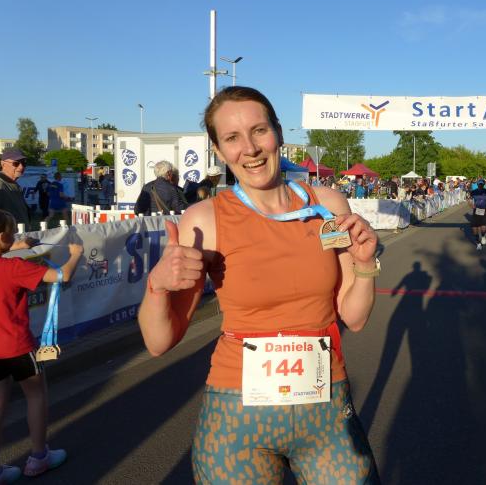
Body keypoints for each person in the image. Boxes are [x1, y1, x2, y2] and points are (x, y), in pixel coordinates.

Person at [138, 86, 381, 484]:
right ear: (219, 150)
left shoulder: (327, 207)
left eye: (259, 131)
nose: (249, 148)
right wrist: (157, 285)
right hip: (237, 417)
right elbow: (158, 341)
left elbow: (353, 317)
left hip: (325, 409)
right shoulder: (204, 220)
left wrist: (365, 263)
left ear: (278, 133)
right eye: (232, 138)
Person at [0, 208, 84, 483]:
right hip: (18, 346)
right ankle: (38, 456)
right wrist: (76, 255)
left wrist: (15, 247)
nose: (15, 237)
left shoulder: (10, 262)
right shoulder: (15, 268)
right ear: (2, 238)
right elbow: (62, 276)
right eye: (12, 234)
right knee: (36, 395)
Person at [0, 148, 31, 228]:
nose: (21, 167)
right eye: (16, 163)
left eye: (23, 163)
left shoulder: (14, 185)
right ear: (3, 164)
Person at [469, 180, 486, 251]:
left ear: (483, 185)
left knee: (483, 228)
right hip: (476, 210)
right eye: (479, 184)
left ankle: (483, 236)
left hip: (484, 210)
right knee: (474, 228)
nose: (480, 185)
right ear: (477, 184)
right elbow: (470, 199)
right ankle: (478, 243)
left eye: (482, 184)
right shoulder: (474, 191)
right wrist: (471, 204)